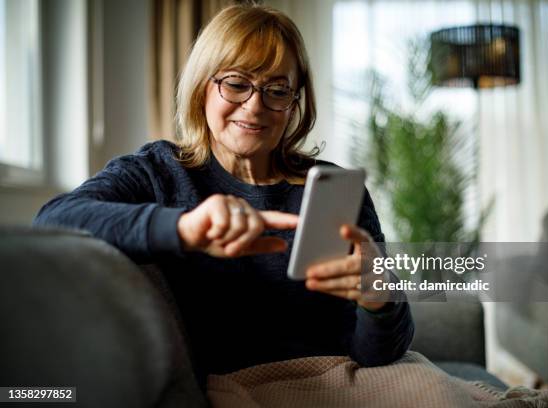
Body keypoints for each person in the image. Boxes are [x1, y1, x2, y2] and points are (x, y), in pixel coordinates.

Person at [34, 3, 414, 384]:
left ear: (295, 102)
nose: (255, 106)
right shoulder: (159, 172)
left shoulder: (337, 190)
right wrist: (183, 227)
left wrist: (379, 300)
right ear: (203, 86)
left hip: (342, 378)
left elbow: (379, 353)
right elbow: (53, 219)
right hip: (237, 387)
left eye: (277, 90)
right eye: (236, 83)